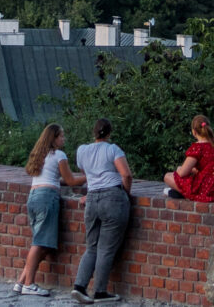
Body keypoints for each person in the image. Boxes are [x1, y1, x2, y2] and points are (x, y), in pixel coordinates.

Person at [13, 123, 86, 298]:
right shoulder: (59, 155)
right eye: (61, 136)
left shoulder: (40, 155)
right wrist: (93, 175)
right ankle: (29, 284)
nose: (64, 139)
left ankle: (21, 282)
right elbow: (71, 181)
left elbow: (53, 178)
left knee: (42, 244)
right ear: (53, 138)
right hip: (47, 199)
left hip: (34, 197)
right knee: (39, 243)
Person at [71, 118, 132, 304]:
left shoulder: (82, 150)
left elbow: (85, 172)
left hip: (92, 199)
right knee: (106, 249)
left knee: (92, 247)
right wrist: (125, 194)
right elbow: (126, 174)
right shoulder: (113, 149)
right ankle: (100, 292)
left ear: (94, 132)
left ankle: (79, 287)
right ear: (110, 133)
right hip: (113, 197)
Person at [162, 115, 214, 203]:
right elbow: (210, 167)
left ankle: (185, 193)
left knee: (167, 176)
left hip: (209, 189)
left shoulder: (199, 147)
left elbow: (182, 173)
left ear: (194, 132)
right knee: (192, 173)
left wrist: (179, 168)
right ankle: (182, 193)